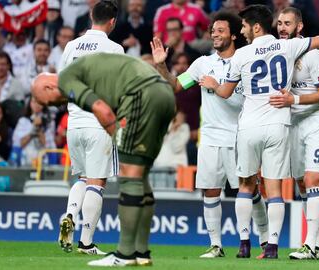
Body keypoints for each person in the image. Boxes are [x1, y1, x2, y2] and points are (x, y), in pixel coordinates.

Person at [199, 4, 319, 259]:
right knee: (275, 189)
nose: (243, 31)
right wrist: (305, 43)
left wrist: (214, 85)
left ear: (255, 26)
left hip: (248, 126)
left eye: (245, 26)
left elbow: (225, 93)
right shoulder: (287, 46)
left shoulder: (241, 54)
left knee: (246, 186)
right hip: (278, 125)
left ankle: (244, 244)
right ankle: (271, 247)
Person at [31, 53, 175, 267]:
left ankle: (125, 255)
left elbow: (103, 111)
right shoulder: (85, 69)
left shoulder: (68, 79)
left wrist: (117, 140)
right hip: (163, 94)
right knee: (139, 175)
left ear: (49, 87)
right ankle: (141, 253)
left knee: (129, 175)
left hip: (141, 96)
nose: (55, 106)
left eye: (48, 102)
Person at [151, 11, 269, 259]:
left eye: (220, 31)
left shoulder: (246, 61)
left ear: (234, 35)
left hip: (240, 135)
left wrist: (218, 87)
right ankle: (216, 245)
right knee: (210, 191)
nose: (214, 34)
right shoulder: (202, 63)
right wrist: (161, 64)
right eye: (213, 31)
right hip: (210, 138)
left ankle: (266, 238)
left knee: (249, 191)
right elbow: (175, 85)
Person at [56, 0, 124, 255]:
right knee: (97, 181)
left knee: (82, 177)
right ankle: (86, 243)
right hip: (99, 123)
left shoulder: (71, 46)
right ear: (112, 22)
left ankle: (70, 213)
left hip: (74, 122)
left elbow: (62, 85)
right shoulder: (115, 48)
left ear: (91, 16)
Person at [269, 7, 319, 260]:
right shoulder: (278, 54)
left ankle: (308, 245)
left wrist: (293, 98)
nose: (282, 27)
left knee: (312, 180)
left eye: (287, 23)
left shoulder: (313, 55)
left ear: (299, 27)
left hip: (318, 120)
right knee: (300, 183)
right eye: (280, 23)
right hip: (293, 122)